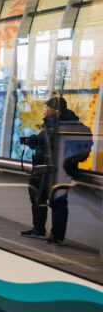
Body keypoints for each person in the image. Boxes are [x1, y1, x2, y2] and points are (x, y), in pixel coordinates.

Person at [18, 95, 93, 245]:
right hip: (42, 168)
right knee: (38, 198)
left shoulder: (73, 126)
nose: (44, 111)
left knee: (57, 202)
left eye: (47, 108)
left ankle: (57, 236)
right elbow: (43, 141)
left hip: (60, 171)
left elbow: (82, 148)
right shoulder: (49, 125)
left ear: (56, 111)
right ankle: (38, 230)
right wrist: (31, 140)